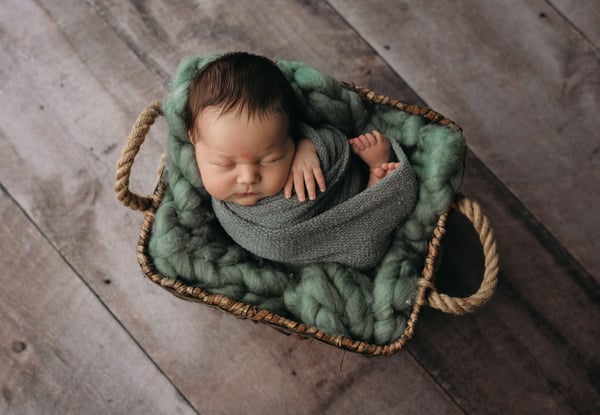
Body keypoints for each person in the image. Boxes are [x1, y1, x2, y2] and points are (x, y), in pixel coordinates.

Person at [186, 51, 402, 207]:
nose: (248, 177)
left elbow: (332, 135)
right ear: (194, 140)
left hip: (341, 206)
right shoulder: (201, 196)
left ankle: (375, 178)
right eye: (224, 164)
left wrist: (310, 147)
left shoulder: (299, 143)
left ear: (291, 135)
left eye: (269, 159)